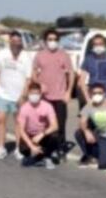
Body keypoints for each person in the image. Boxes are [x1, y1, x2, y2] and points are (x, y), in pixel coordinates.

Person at [30, 28, 74, 161]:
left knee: (60, 124)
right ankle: (45, 149)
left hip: (60, 96)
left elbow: (71, 74)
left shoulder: (64, 55)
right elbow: (33, 73)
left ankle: (60, 149)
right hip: (45, 97)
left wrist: (68, 92)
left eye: (55, 39)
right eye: (50, 39)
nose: (52, 42)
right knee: (44, 124)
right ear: (45, 41)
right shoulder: (39, 55)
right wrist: (39, 84)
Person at [0, 30, 33, 160]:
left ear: (21, 42)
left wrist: (23, 96)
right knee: (0, 119)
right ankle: (1, 148)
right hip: (2, 94)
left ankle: (19, 148)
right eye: (13, 40)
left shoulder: (26, 57)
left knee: (19, 122)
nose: (16, 43)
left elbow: (29, 79)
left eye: (18, 41)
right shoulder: (1, 54)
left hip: (19, 95)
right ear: (9, 41)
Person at [75, 83, 106, 172]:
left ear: (104, 94)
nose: (97, 95)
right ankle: (91, 156)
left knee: (105, 163)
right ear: (91, 94)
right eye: (94, 93)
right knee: (79, 133)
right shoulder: (89, 106)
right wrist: (86, 132)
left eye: (100, 93)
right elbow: (82, 121)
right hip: (102, 136)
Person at [15, 81, 60, 169]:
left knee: (55, 136)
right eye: (32, 93)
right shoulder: (24, 108)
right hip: (29, 134)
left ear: (40, 94)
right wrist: (31, 146)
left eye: (37, 93)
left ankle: (47, 156)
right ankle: (33, 154)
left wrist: (41, 134)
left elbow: (55, 126)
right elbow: (21, 130)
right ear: (28, 94)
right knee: (23, 150)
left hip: (43, 134)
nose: (34, 96)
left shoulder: (47, 106)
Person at [79, 33, 106, 104]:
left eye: (100, 44)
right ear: (93, 46)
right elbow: (82, 80)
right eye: (95, 44)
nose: (98, 46)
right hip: (93, 96)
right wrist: (87, 98)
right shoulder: (88, 59)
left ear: (104, 45)